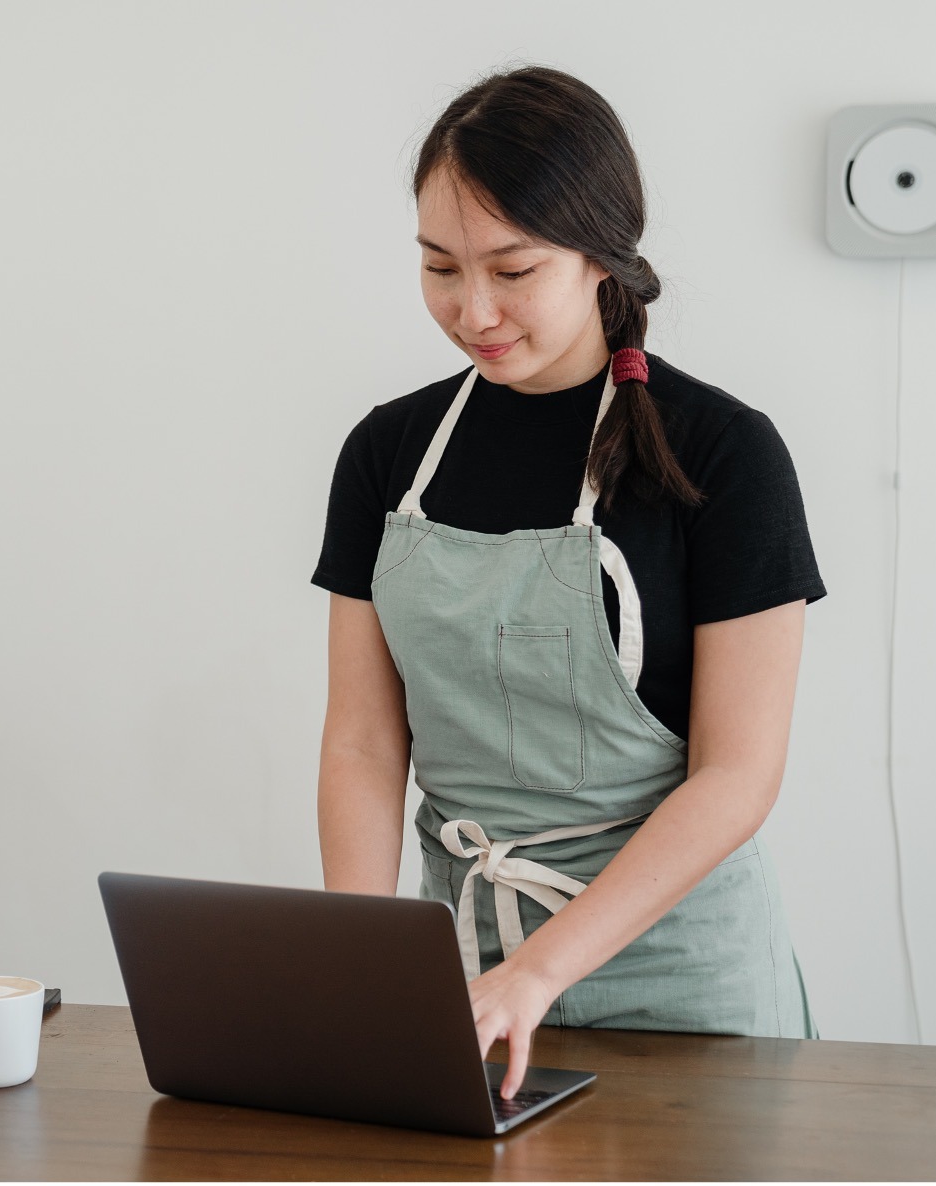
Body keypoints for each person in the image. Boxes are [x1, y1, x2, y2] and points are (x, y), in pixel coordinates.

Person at [312, 66, 827, 1102]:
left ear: (600, 255)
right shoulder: (389, 454)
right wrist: (366, 959)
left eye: (513, 269)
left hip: (684, 987)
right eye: (439, 267)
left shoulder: (725, 455)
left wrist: (540, 969)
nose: (472, 309)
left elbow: (738, 775)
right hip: (465, 973)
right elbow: (366, 741)